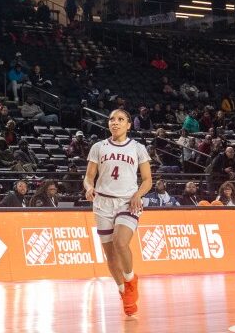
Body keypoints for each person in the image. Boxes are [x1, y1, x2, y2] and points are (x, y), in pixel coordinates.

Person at [83, 109, 152, 317]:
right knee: (110, 254)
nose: (115, 122)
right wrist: (88, 187)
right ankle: (123, 290)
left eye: (121, 119)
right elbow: (89, 176)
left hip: (128, 202)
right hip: (103, 202)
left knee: (121, 243)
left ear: (129, 125)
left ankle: (131, 279)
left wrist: (138, 195)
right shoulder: (98, 147)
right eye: (112, 119)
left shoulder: (138, 148)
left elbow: (148, 179)